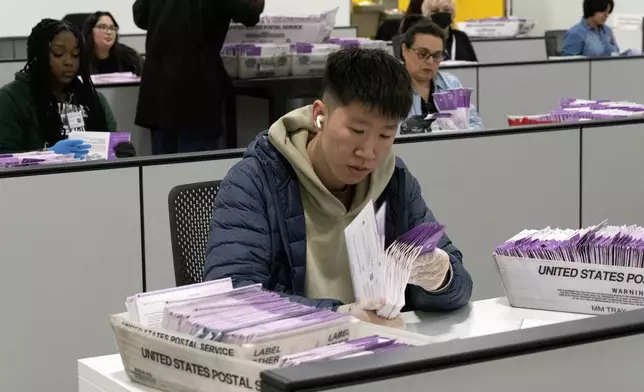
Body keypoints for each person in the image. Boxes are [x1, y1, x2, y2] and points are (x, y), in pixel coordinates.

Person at [203, 48, 473, 328]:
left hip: (378, 353)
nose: (368, 152)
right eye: (357, 131)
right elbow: (234, 298)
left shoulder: (394, 180)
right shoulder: (257, 180)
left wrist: (442, 277)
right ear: (321, 115)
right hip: (287, 357)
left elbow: (459, 288)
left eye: (385, 135)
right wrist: (339, 317)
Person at [132, 0, 264, 155]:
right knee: (194, 169)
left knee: (163, 168)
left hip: (158, 89)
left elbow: (139, 16)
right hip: (195, 89)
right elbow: (249, 13)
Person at [0, 19, 134, 157]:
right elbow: (4, 158)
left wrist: (120, 151)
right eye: (58, 53)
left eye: (75, 55)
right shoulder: (11, 99)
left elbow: (111, 145)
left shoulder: (94, 100)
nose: (69, 62)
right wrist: (48, 154)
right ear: (38, 56)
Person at [400, 19, 484, 131]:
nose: (430, 61)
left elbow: (477, 125)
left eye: (436, 55)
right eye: (422, 53)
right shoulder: (388, 87)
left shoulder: (451, 84)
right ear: (405, 50)